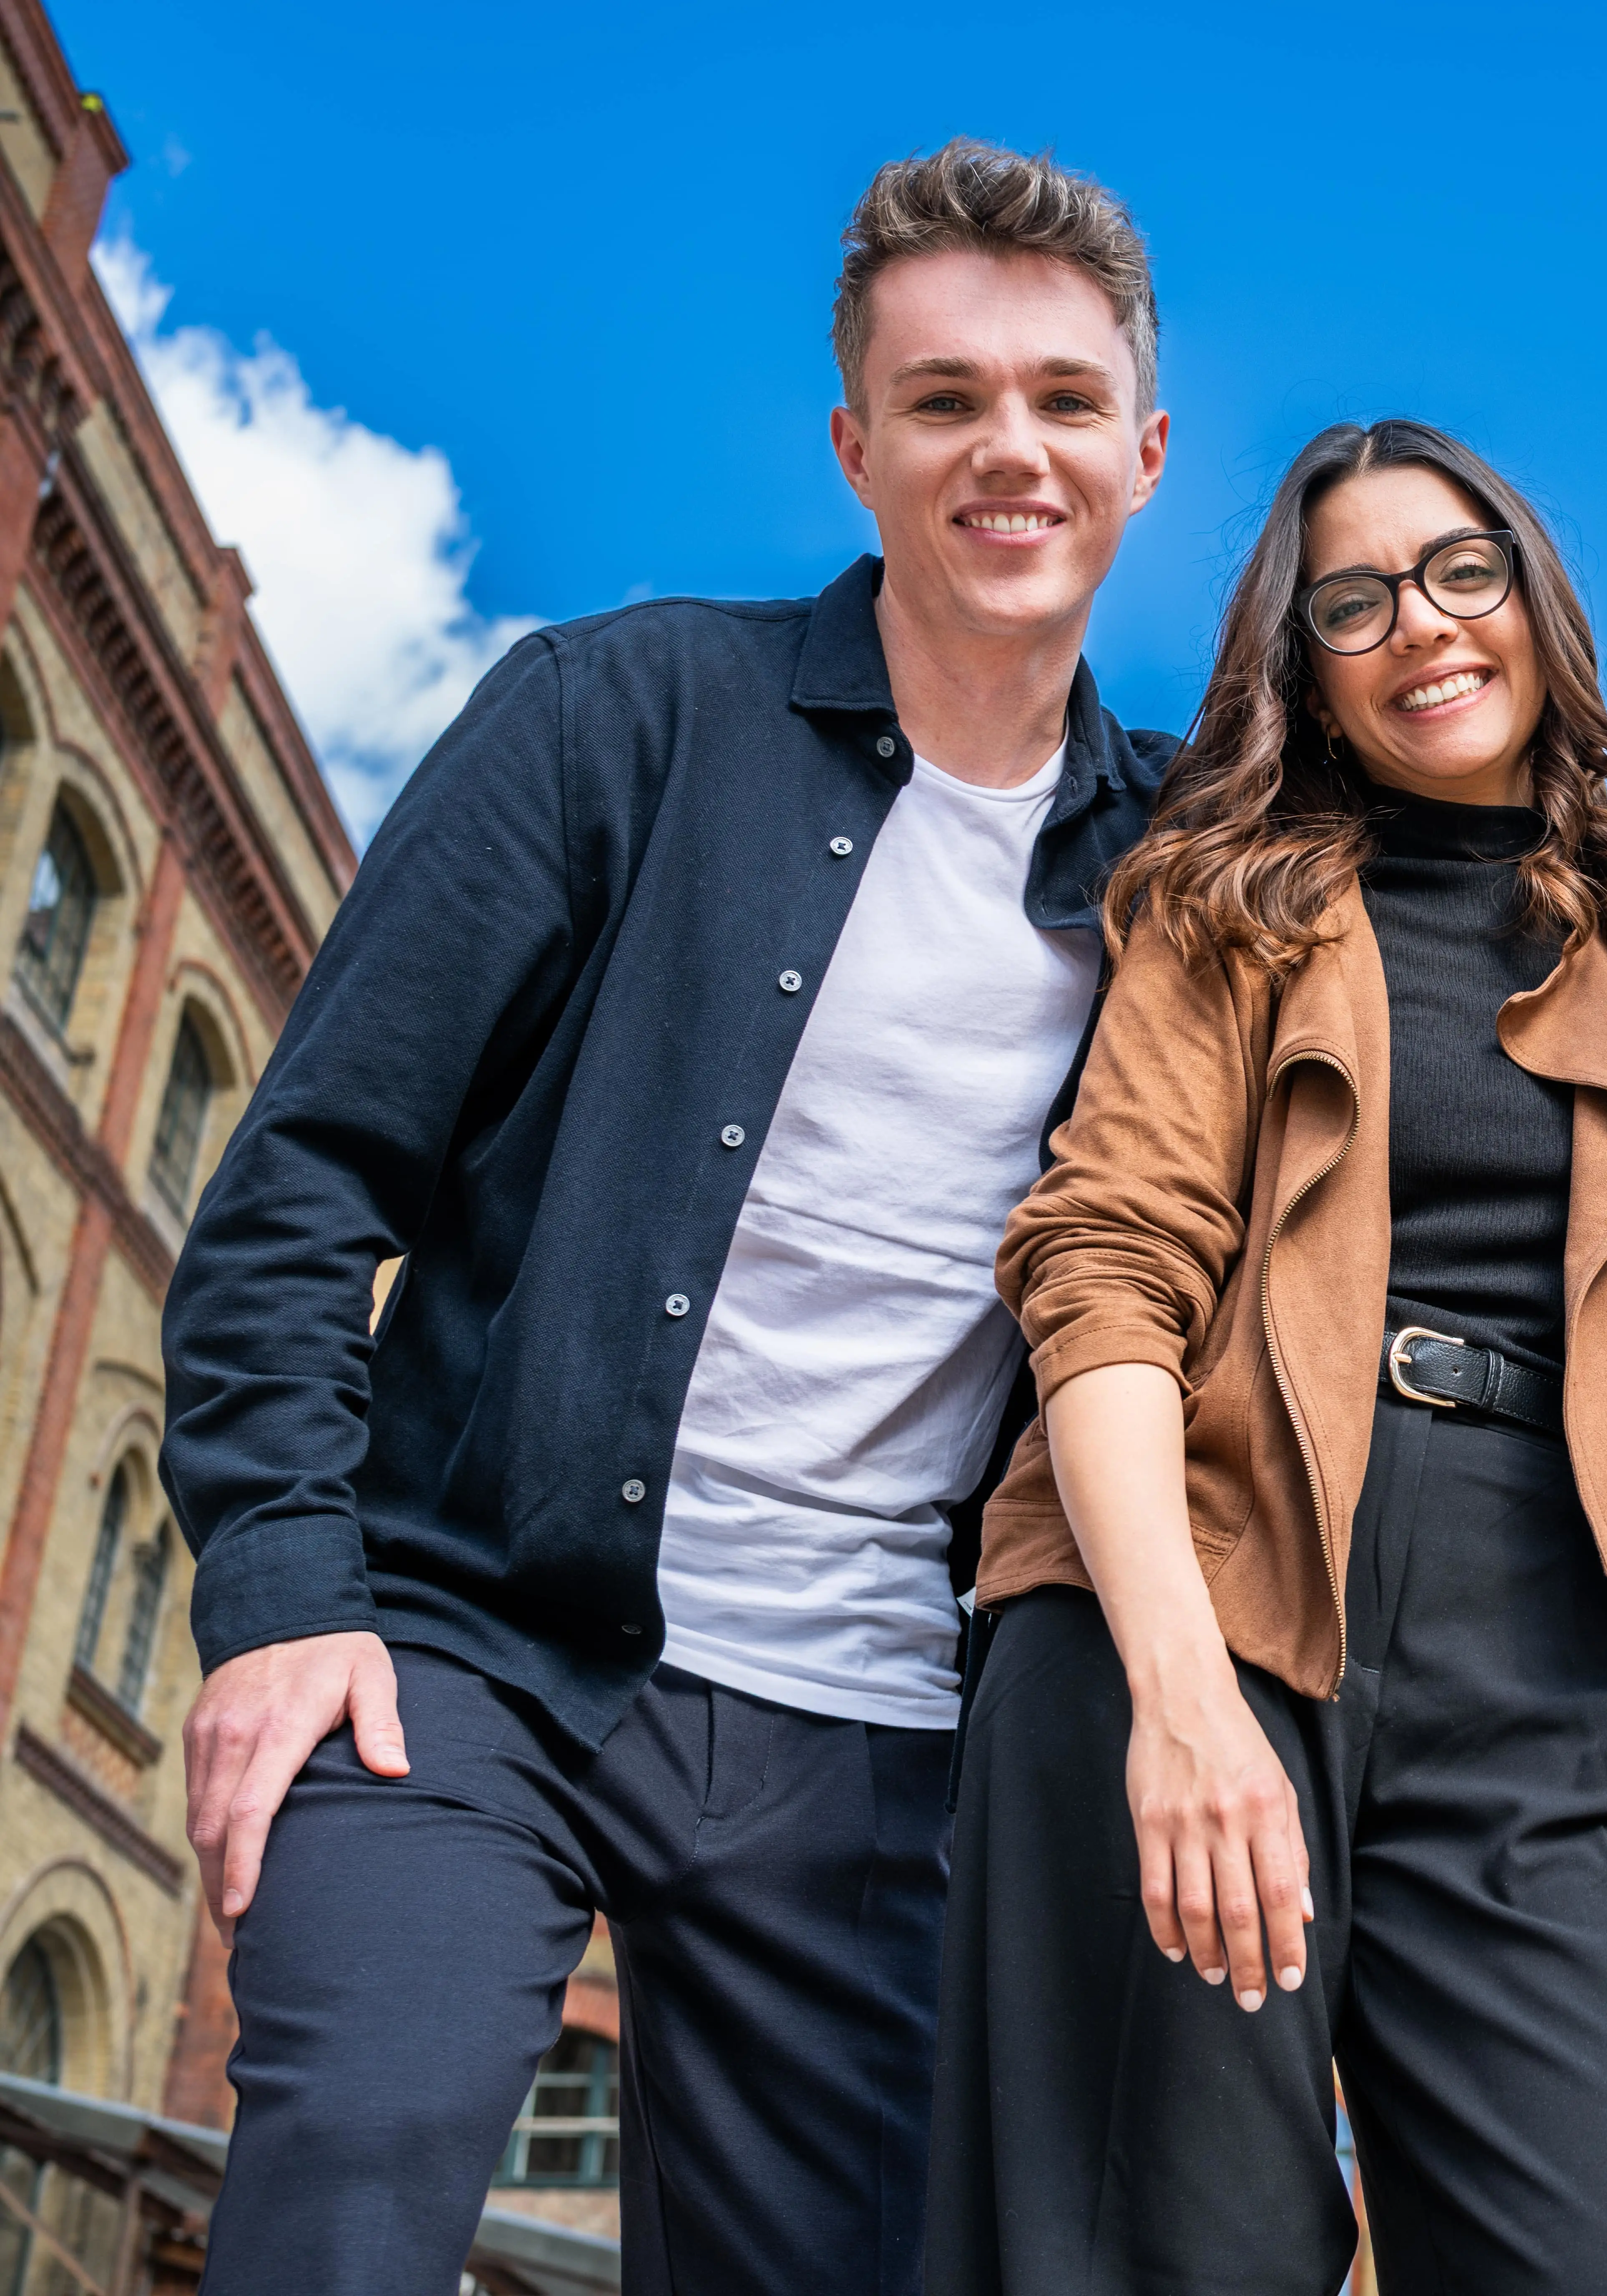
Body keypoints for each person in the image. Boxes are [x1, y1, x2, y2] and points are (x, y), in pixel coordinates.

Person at [156, 141, 1173, 2296]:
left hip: (888, 1734)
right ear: (856, 446)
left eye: (1064, 401)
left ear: (1145, 453)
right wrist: (281, 1592)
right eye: (945, 399)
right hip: (473, 1647)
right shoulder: (615, 713)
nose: (1011, 449)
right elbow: (304, 1182)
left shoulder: (1184, 869)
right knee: (357, 2164)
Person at [925, 416, 1607, 2296]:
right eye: (1353, 602)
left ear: (1533, 603)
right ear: (1309, 670)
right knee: (1168, 2254)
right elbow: (1104, 1264)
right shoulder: (1216, 911)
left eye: (1459, 571)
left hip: (1559, 1639)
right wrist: (1177, 1693)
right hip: (1197, 1583)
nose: (1420, 623)